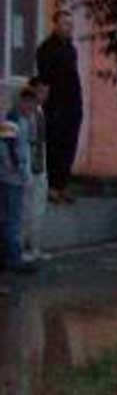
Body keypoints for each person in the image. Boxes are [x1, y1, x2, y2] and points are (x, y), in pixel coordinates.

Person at [36, 8, 82, 204]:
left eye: (71, 24)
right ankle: (52, 188)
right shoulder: (46, 49)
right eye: (65, 23)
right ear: (55, 24)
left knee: (69, 146)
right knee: (55, 146)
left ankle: (62, 186)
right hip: (56, 106)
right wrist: (43, 104)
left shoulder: (71, 48)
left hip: (72, 105)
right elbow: (44, 79)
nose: (69, 27)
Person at [0, 87, 37, 275]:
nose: (32, 107)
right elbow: (8, 148)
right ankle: (13, 259)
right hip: (11, 178)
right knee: (12, 219)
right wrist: (20, 171)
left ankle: (8, 257)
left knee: (9, 218)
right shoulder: (13, 118)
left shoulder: (23, 119)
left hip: (13, 176)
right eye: (30, 103)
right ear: (23, 101)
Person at [13, 82, 49, 262]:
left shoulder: (40, 112)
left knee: (38, 209)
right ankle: (22, 248)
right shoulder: (22, 115)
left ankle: (35, 247)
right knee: (24, 210)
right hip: (27, 168)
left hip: (39, 166)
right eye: (41, 92)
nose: (45, 95)